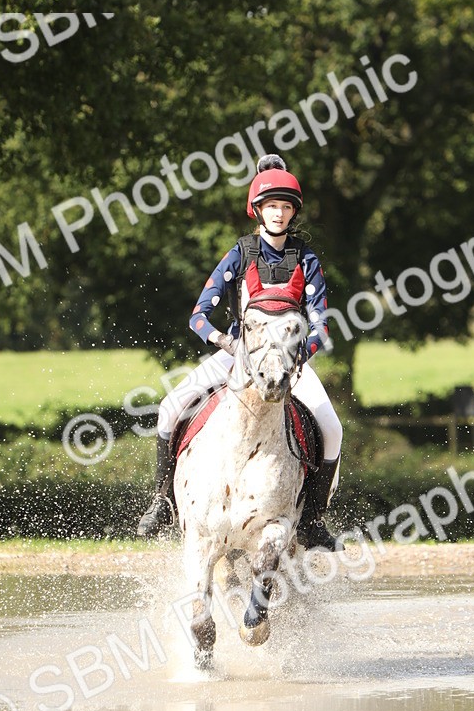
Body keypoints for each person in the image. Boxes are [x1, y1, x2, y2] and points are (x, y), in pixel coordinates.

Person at [136, 154, 343, 550]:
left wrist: (301, 356)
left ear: (293, 212)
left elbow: (321, 323)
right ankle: (162, 500)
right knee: (170, 407)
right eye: (271, 206)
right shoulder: (240, 253)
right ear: (258, 211)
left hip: (289, 361)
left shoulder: (306, 258)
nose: (279, 214)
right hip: (236, 353)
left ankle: (312, 519)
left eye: (285, 207)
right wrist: (228, 344)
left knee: (332, 429)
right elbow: (199, 316)